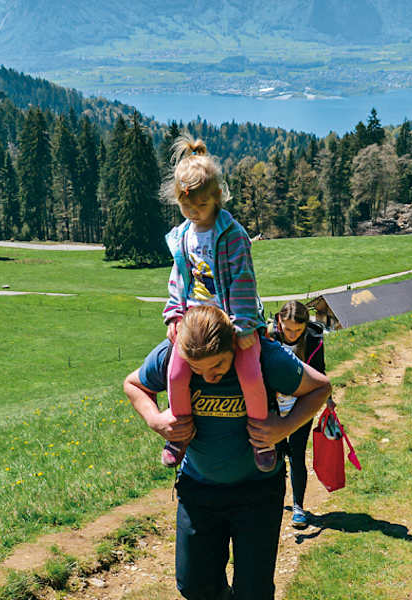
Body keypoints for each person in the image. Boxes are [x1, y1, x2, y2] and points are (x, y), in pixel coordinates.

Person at [123, 305, 332, 600]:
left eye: (218, 366)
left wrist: (283, 428)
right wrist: (155, 420)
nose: (208, 377)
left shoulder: (264, 358)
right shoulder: (173, 355)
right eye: (197, 370)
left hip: (258, 492)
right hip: (198, 490)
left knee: (253, 592)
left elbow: (319, 388)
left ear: (234, 346)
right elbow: (133, 384)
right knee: (194, 586)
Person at [159, 136, 274, 472]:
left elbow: (243, 279)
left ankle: (261, 439)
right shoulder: (182, 236)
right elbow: (178, 279)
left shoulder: (232, 234)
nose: (194, 213)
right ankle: (179, 435)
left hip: (231, 320)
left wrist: (243, 327)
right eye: (187, 207)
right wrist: (173, 316)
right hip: (195, 324)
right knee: (177, 372)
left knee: (251, 375)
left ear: (217, 198)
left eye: (201, 207)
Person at [269, 301, 330, 529]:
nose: (293, 334)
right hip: (273, 405)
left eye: (298, 330)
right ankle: (272, 503)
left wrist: (328, 399)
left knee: (296, 454)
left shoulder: (313, 339)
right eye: (288, 329)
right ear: (279, 322)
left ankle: (298, 506)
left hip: (302, 405)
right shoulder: (269, 338)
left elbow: (320, 369)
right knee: (274, 454)